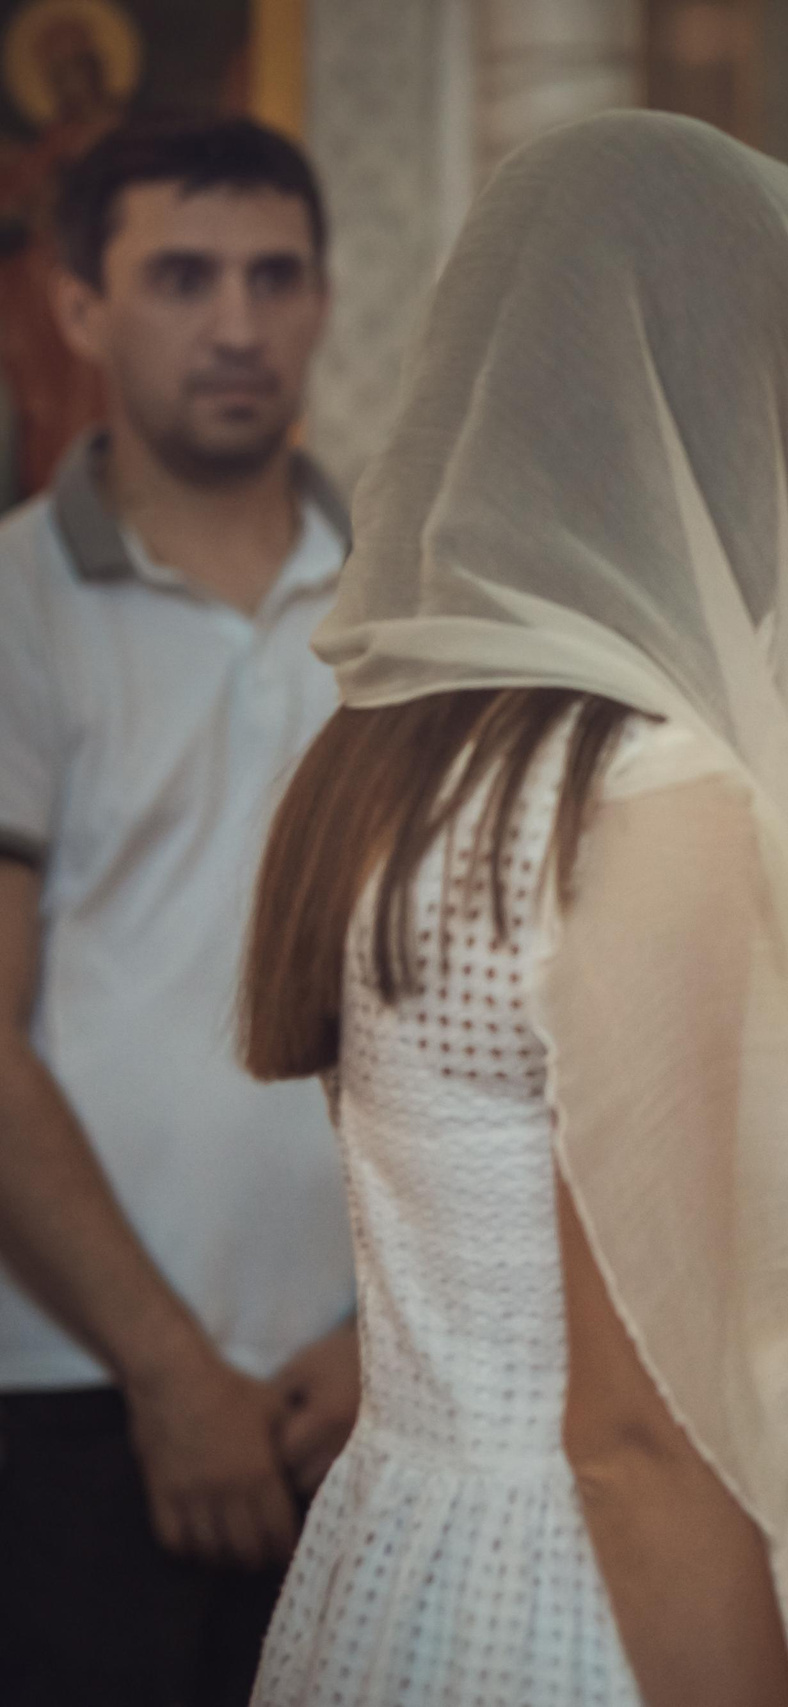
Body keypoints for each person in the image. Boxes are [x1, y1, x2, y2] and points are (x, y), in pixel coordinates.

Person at [235, 113, 788, 1706]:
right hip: (595, 1615)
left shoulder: (388, 747)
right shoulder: (644, 791)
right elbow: (635, 1433)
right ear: (716, 414)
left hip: (407, 1548)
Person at [0, 117, 352, 1707]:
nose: (237, 324)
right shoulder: (12, 606)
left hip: (375, 1394)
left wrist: (392, 1342)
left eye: (276, 277)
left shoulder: (409, 608)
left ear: (323, 300)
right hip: (76, 1394)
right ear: (77, 305)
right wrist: (166, 1372)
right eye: (182, 277)